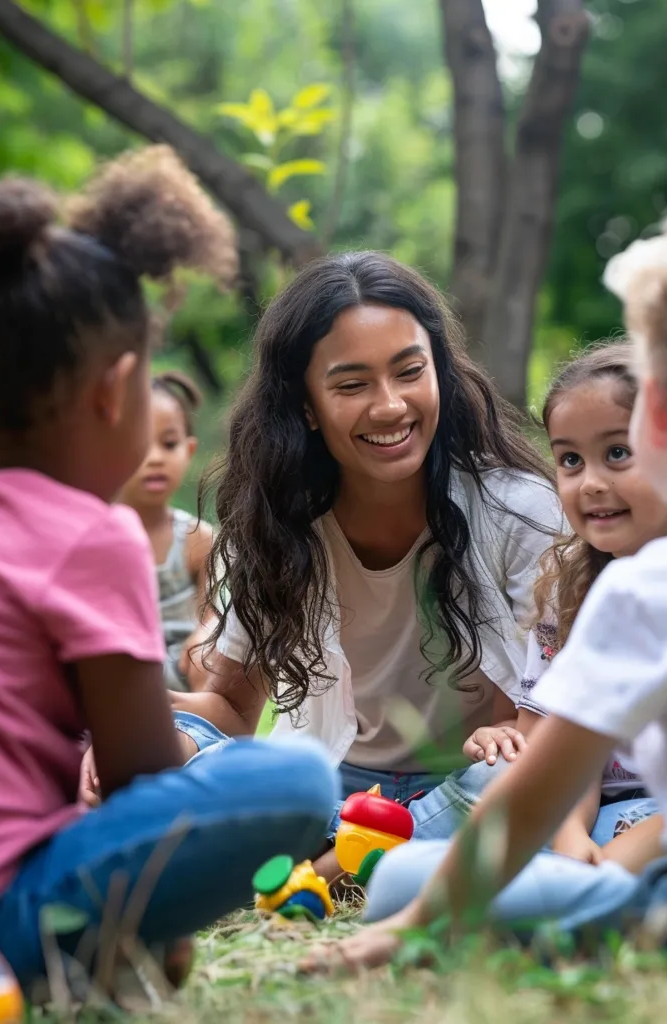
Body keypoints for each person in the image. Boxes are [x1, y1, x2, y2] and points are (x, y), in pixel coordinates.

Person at [306, 187, 667, 970]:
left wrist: (412, 926)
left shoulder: (651, 590)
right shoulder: (602, 582)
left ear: (660, 417)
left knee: (402, 879)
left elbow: (535, 791)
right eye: (569, 458)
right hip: (634, 839)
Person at [0, 147, 336, 995]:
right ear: (118, 389)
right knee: (297, 776)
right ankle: (80, 960)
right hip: (7, 916)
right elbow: (143, 779)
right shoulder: (94, 535)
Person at [171, 251, 563, 855]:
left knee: (519, 771)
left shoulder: (520, 512)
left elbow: (538, 724)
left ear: (441, 372)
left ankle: (341, 853)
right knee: (176, 746)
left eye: (409, 371)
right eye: (352, 385)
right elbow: (227, 705)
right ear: (306, 406)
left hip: (465, 786)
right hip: (328, 788)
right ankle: (357, 846)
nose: (389, 406)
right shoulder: (276, 522)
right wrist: (155, 731)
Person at [405, 343, 667, 858]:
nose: (591, 483)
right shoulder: (571, 585)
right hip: (593, 811)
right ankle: (376, 849)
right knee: (503, 778)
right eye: (570, 460)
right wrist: (568, 836)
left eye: (618, 453)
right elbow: (549, 748)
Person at [119, 371, 214, 691]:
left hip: (184, 669)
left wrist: (204, 635)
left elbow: (214, 615)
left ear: (188, 451)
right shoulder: (93, 537)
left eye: (169, 444)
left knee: (214, 656)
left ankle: (204, 734)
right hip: (116, 671)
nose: (156, 458)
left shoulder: (195, 538)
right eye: (139, 445)